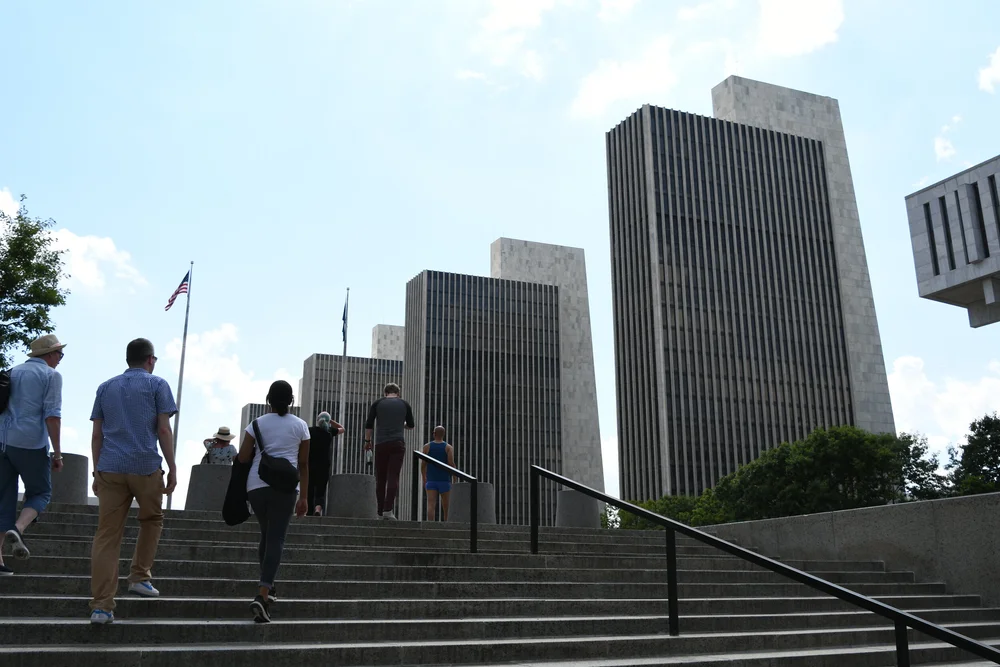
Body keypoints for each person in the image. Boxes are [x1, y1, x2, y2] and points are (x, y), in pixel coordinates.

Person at [88, 338, 177, 624]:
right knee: (151, 519)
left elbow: (97, 435)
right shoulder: (158, 385)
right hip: (145, 466)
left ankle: (102, 606)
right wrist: (173, 466)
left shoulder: (105, 387)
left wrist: (96, 471)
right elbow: (163, 430)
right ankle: (139, 575)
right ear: (150, 359)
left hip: (110, 467)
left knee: (107, 535)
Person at [236, 380, 309, 623]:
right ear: (291, 401)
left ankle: (268, 587)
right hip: (286, 488)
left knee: (266, 535)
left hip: (256, 486)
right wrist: (305, 497)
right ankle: (262, 595)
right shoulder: (300, 426)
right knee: (276, 537)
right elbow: (304, 464)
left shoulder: (255, 424)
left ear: (268, 399)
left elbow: (244, 456)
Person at [0, 334, 66, 575]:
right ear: (48, 354)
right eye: (59, 353)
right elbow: (52, 416)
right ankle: (18, 528)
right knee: (41, 492)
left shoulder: (11, 371)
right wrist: (57, 453)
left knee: (2, 497)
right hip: (30, 442)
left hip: (2, 440)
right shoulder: (51, 375)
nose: (60, 358)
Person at [364, 383, 414, 520]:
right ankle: (388, 510)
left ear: (385, 393)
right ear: (398, 393)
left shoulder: (378, 403)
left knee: (381, 478)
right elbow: (411, 425)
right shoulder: (404, 404)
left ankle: (379, 512)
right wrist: (401, 425)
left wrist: (367, 442)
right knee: (393, 477)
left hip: (381, 444)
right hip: (397, 444)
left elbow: (369, 424)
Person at [307, 412, 344, 516]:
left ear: (318, 420)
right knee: (321, 490)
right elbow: (342, 429)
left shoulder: (310, 430)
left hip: (310, 465)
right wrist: (331, 421)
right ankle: (318, 509)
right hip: (324, 466)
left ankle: (309, 511)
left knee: (310, 489)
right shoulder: (330, 431)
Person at [421, 426, 454, 522]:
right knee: (446, 506)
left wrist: (424, 477)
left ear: (434, 433)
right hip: (445, 480)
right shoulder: (448, 447)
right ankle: (446, 525)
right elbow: (451, 463)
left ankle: (430, 524)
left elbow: (423, 465)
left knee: (431, 504)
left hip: (431, 480)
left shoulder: (427, 446)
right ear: (443, 434)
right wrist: (454, 479)